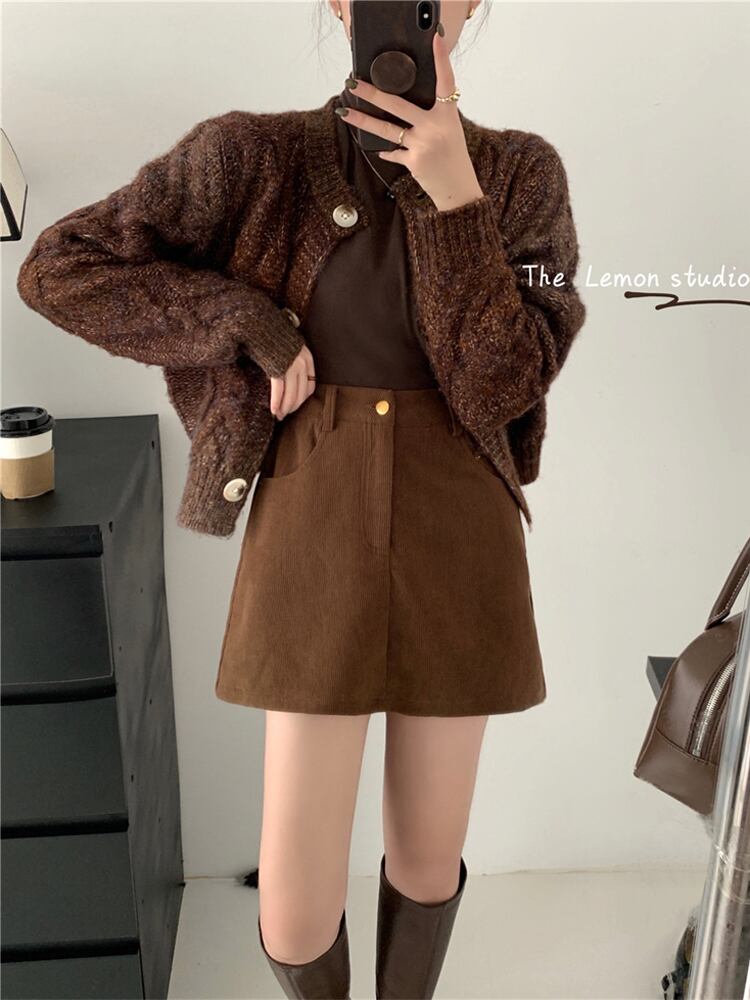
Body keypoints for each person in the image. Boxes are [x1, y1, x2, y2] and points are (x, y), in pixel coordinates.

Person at [16, 2, 586, 996]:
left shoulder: (519, 173)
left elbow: (502, 383)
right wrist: (246, 321)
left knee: (427, 857)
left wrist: (454, 197)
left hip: (462, 530)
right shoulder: (253, 158)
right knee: (293, 898)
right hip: (312, 519)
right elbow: (59, 267)